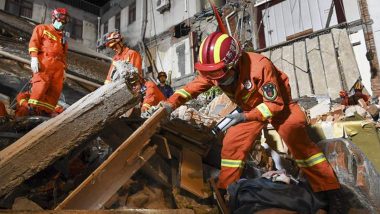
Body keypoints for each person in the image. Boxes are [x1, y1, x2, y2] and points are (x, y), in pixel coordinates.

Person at [152, 31, 344, 211]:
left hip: (279, 106)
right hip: (249, 109)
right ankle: (226, 193)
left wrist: (245, 117)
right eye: (212, 77)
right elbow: (190, 89)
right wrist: (170, 104)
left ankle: (329, 191)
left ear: (234, 64)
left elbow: (274, 105)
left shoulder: (260, 67)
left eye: (220, 76)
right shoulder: (216, 71)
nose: (216, 82)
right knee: (231, 145)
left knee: (299, 143)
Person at [28, 8, 69, 116]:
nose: (61, 23)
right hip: (45, 63)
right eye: (60, 20)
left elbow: (63, 54)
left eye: (64, 21)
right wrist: (34, 58)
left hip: (58, 67)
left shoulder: (62, 38)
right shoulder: (42, 28)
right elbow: (34, 42)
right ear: (54, 17)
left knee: (54, 91)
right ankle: (32, 112)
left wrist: (64, 69)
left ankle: (45, 114)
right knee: (40, 87)